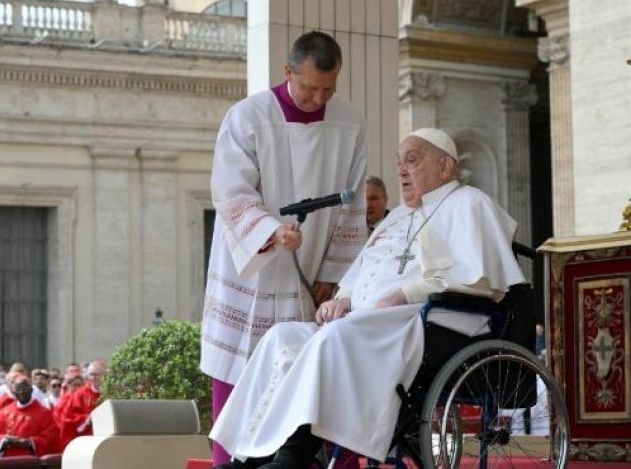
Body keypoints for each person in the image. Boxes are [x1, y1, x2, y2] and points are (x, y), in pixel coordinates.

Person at [210, 128, 525, 469]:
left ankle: (293, 459)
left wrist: (403, 294)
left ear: (446, 167)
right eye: (399, 163)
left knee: (334, 339)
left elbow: (478, 280)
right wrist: (343, 299)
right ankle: (253, 456)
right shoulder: (398, 217)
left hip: (432, 321)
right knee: (281, 338)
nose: (402, 170)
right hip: (369, 321)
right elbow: (362, 270)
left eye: (413, 161)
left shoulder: (470, 203)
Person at [201, 30, 368, 465]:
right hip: (251, 269)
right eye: (310, 87)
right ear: (287, 71)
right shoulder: (248, 117)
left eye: (328, 88)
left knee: (302, 378)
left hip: (310, 271)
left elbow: (353, 203)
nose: (318, 98)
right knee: (241, 374)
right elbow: (231, 191)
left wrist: (334, 274)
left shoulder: (349, 120)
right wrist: (271, 232)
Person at [0, 374, 58, 458]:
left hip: (31, 463)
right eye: (18, 390)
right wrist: (3, 439)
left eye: (24, 389)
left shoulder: (44, 414)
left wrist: (29, 443)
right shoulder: (4, 412)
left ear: (31, 390)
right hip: (7, 461)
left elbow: (51, 439)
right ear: (13, 392)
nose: (21, 392)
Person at [54, 360, 105, 450]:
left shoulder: (112, 393)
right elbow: (67, 417)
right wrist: (86, 419)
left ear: (104, 375)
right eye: (91, 375)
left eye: (97, 375)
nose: (93, 378)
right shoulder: (79, 394)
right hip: (86, 440)